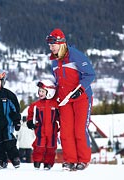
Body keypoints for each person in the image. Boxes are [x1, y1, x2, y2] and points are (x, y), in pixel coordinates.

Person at [46, 28, 96, 171]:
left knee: (79, 130)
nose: (51, 47)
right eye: (49, 45)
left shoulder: (75, 55)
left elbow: (90, 74)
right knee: (66, 131)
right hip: (65, 100)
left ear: (61, 43)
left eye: (53, 44)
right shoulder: (54, 61)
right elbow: (58, 82)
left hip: (81, 98)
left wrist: (79, 90)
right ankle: (70, 160)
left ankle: (84, 159)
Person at [26, 80, 59, 170]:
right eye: (39, 91)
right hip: (40, 129)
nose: (40, 93)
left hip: (52, 131)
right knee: (39, 146)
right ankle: (37, 161)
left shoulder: (55, 105)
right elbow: (30, 114)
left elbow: (59, 116)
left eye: (43, 91)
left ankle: (48, 163)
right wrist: (29, 121)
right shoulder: (36, 105)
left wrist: (60, 125)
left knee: (51, 147)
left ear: (50, 92)